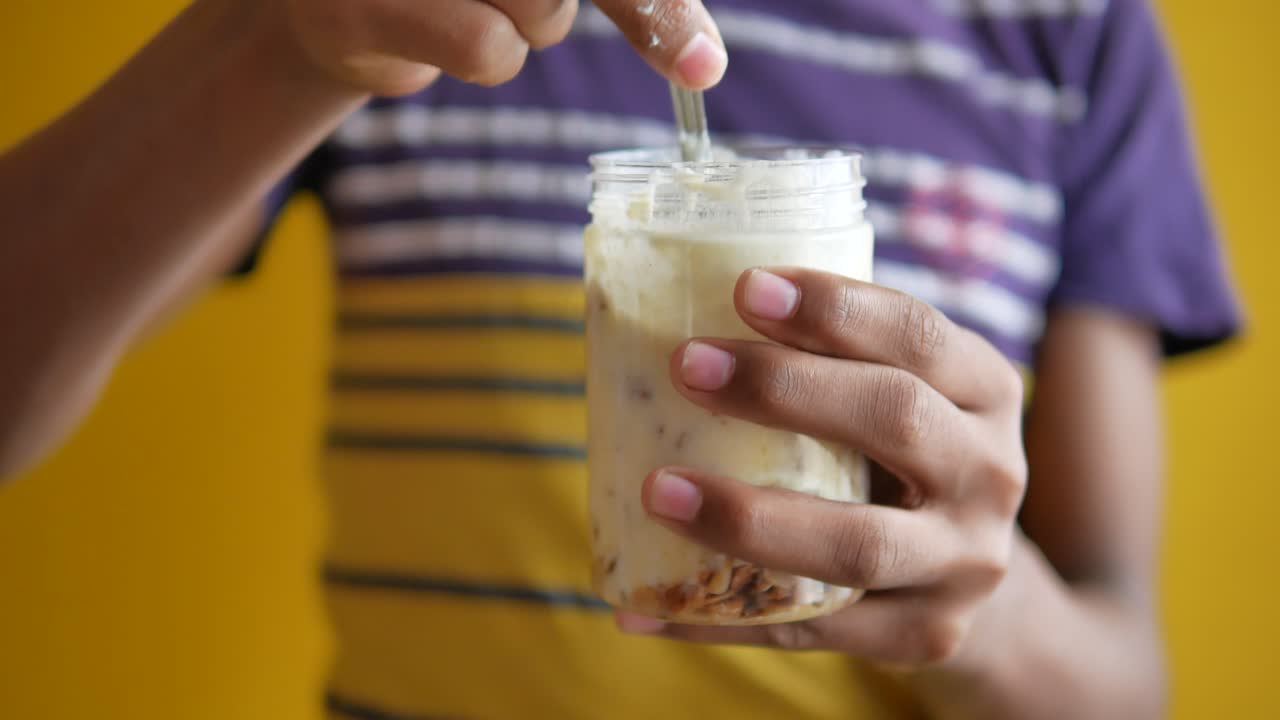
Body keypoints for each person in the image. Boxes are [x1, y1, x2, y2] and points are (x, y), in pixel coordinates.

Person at [0, 0, 1241, 718]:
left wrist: (984, 613)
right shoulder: (400, 26)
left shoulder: (1065, 32)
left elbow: (1123, 683)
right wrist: (271, 37)